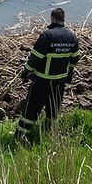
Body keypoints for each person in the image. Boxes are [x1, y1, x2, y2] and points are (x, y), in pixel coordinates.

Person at [15, 8, 80, 142]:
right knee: (54, 108)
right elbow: (75, 58)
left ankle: (19, 137)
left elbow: (35, 58)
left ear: (52, 19)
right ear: (64, 19)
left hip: (42, 81)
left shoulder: (47, 35)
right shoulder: (72, 36)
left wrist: (26, 72)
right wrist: (69, 75)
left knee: (31, 108)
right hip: (59, 82)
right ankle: (48, 133)